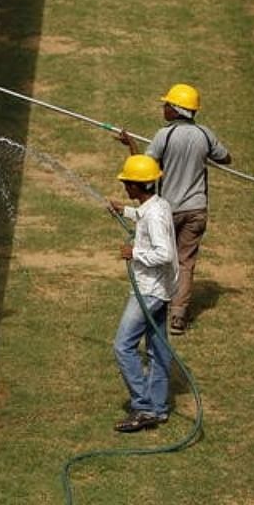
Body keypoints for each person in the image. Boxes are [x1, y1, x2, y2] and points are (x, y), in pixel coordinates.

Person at [116, 83, 231, 335]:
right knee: (185, 261)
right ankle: (178, 315)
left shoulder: (164, 136)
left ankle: (159, 302)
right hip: (197, 209)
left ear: (177, 110)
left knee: (163, 256)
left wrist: (131, 144)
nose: (163, 108)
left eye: (167, 104)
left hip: (169, 209)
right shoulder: (204, 134)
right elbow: (225, 158)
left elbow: (144, 168)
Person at [107, 154, 179, 432]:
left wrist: (133, 252)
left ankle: (144, 406)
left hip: (149, 292)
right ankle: (158, 410)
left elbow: (164, 253)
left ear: (137, 186)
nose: (125, 186)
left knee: (122, 346)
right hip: (161, 290)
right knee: (158, 349)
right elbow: (145, 216)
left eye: (127, 182)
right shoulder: (157, 205)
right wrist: (124, 211)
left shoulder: (155, 216)